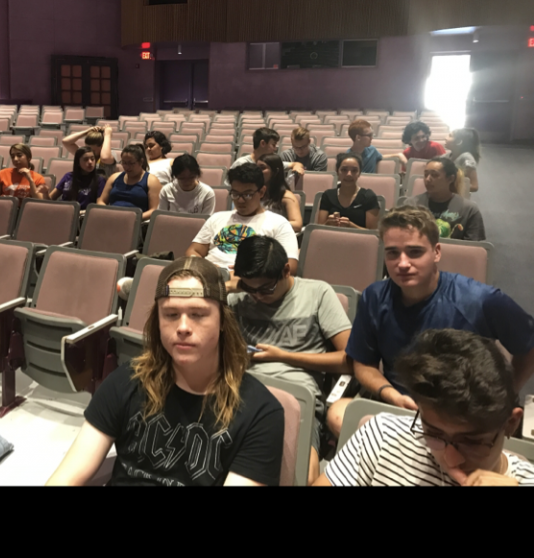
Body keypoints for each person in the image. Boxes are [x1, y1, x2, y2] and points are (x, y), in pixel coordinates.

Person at [46, 257, 285, 487]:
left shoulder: (261, 413)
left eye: (198, 314)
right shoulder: (125, 381)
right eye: (171, 315)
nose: (183, 327)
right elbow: (67, 476)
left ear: (222, 320)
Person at [327, 205, 534, 437]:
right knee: (338, 413)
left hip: (461, 415)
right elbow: (364, 364)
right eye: (392, 253)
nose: (402, 263)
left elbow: (529, 347)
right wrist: (390, 394)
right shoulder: (373, 297)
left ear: (436, 252)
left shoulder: (481, 300)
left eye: (414, 252)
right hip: (399, 408)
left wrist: (505, 396)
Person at [314, 329, 534, 487]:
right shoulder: (382, 436)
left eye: (471, 442)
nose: (451, 459)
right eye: (434, 434)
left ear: (510, 423)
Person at [228, 236, 351, 485]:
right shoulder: (238, 298)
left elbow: (349, 360)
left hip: (297, 396)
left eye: (266, 288)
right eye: (249, 288)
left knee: (302, 478)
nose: (257, 296)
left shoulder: (317, 293)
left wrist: (284, 356)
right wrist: (227, 288)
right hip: (241, 389)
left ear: (286, 270)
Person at [185, 162, 299, 291]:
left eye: (247, 195)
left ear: (261, 192)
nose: (240, 200)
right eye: (235, 194)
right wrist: (208, 268)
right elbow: (193, 252)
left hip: (251, 285)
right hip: (208, 277)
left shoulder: (279, 223)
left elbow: (291, 266)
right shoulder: (217, 218)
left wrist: (249, 275)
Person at [407, 156, 486, 240]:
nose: (428, 179)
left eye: (434, 175)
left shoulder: (469, 210)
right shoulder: (411, 205)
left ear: (450, 179)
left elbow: (472, 246)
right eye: (426, 174)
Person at [316, 151, 380, 230]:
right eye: (344, 170)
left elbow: (373, 232)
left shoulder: (369, 197)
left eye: (354, 170)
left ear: (359, 173)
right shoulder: (328, 195)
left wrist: (350, 226)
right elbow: (319, 229)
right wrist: (328, 223)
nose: (349, 174)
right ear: (337, 171)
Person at [97, 143, 161, 219]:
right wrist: (108, 213)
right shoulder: (114, 177)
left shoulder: (152, 181)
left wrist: (132, 219)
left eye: (131, 163)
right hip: (112, 218)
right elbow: (101, 201)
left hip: (136, 221)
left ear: (141, 162)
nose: (127, 167)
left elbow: (154, 210)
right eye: (124, 163)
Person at [259, 153, 302, 232]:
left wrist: (268, 224)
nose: (258, 171)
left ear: (275, 171)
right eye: (256, 168)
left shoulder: (286, 196)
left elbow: (297, 225)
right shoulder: (254, 192)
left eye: (262, 168)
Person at [446, 127, 481, 194]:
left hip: (457, 196)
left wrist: (450, 188)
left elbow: (474, 186)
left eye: (450, 136)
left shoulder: (466, 158)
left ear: (458, 142)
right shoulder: (447, 156)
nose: (446, 138)